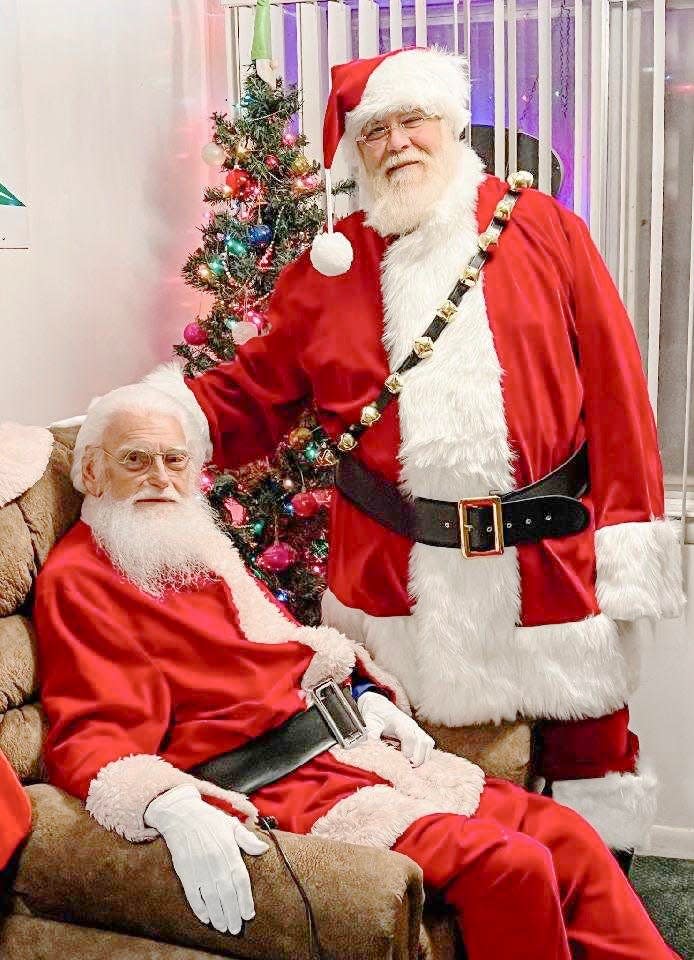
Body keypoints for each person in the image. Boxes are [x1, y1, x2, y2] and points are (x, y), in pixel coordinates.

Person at [143, 46, 685, 851]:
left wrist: (628, 535)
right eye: (375, 132)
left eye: (413, 120)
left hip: (550, 570)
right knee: (427, 800)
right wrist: (154, 424)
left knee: (592, 775)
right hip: (395, 581)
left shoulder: (542, 230)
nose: (397, 143)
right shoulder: (329, 272)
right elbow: (249, 395)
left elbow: (615, 390)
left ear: (450, 123)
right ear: (355, 152)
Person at [34, 387, 679, 959]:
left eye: (175, 461)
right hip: (279, 789)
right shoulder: (79, 580)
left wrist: (365, 697)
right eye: (135, 460)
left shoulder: (190, 544)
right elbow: (89, 736)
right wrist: (169, 805)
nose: (161, 479)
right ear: (91, 471)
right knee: (512, 866)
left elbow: (285, 647)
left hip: (346, 747)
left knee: (564, 832)